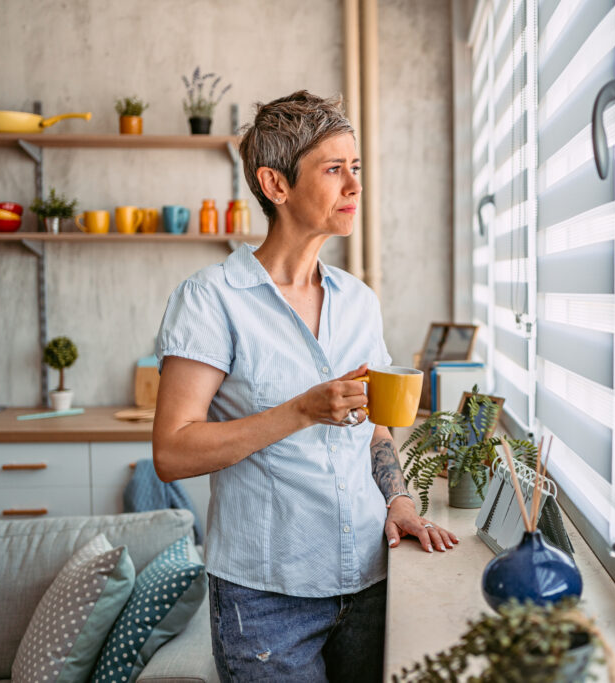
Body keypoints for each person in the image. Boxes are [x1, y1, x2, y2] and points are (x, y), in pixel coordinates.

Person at [151, 90, 458, 683]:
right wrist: (300, 411)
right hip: (266, 600)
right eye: (334, 169)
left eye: (357, 168)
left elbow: (375, 431)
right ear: (276, 184)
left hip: (370, 579)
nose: (355, 187)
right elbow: (172, 451)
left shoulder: (359, 302)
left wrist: (400, 502)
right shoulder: (211, 299)